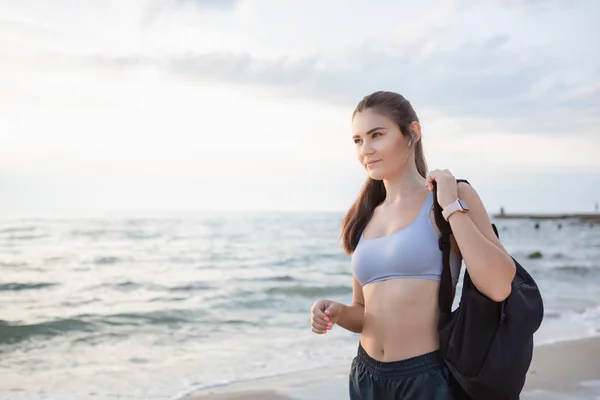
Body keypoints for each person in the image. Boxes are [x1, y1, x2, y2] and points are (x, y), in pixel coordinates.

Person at [310, 91, 516, 399]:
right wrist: (338, 313)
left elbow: (500, 285)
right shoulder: (364, 215)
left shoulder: (451, 196)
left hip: (426, 378)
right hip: (366, 377)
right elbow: (363, 312)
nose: (366, 150)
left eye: (376, 135)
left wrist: (451, 206)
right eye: (357, 140)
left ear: (413, 134)